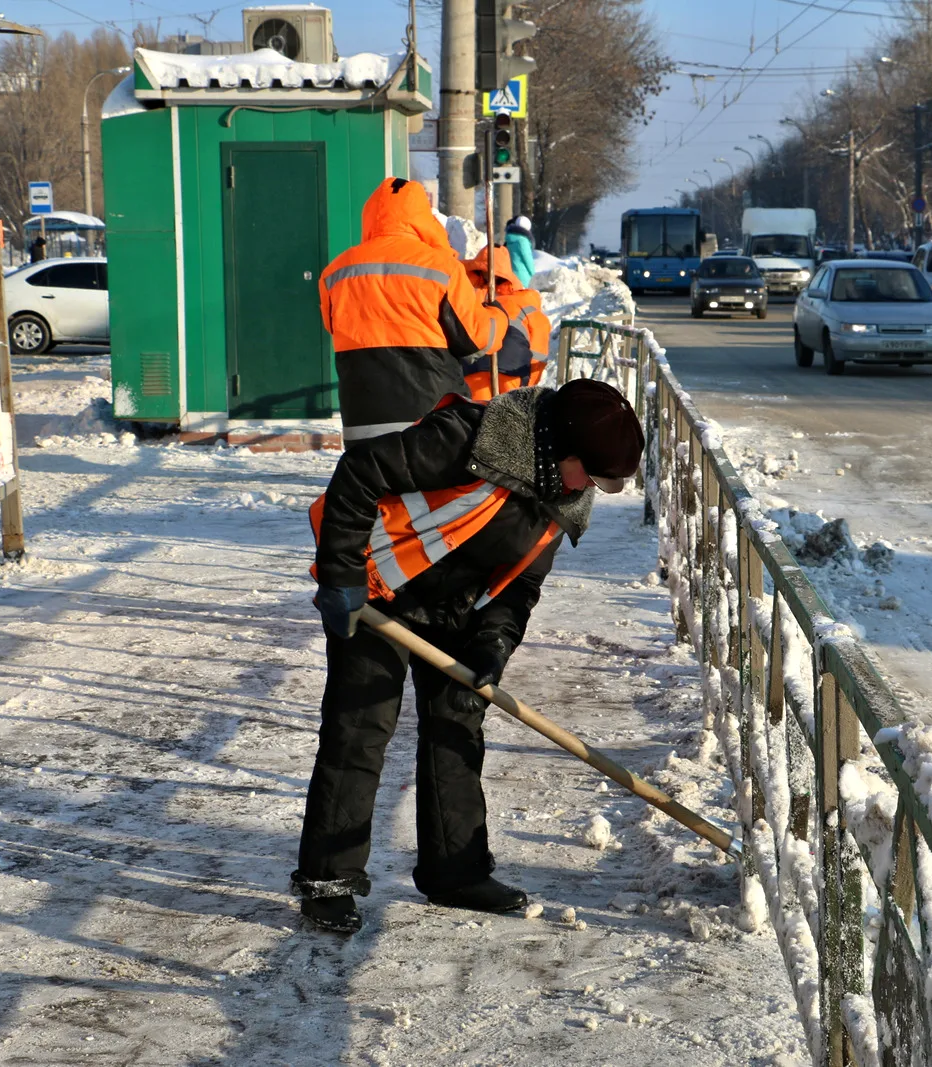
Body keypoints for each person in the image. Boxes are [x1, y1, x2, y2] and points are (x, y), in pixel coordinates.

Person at [294, 379, 646, 934]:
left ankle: (455, 872)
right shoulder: (469, 438)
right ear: (564, 451)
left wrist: (493, 643)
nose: (594, 490)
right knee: (360, 727)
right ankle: (329, 878)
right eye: (594, 475)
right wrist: (341, 575)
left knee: (457, 727)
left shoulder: (563, 495)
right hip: (380, 585)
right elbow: (360, 473)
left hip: (457, 609)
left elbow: (519, 584)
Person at [321, 177, 509, 446]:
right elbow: (477, 340)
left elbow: (334, 327)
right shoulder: (442, 269)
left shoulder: (335, 273)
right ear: (422, 218)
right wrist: (497, 314)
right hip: (432, 422)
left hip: (362, 426)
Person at [460, 244, 552, 399]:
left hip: (472, 374)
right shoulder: (525, 304)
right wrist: (528, 384)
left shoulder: (466, 300)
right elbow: (539, 354)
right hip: (510, 377)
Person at [504, 215, 535, 287]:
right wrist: (533, 274)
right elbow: (527, 259)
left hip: (512, 275)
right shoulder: (523, 241)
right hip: (523, 277)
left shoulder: (509, 239)